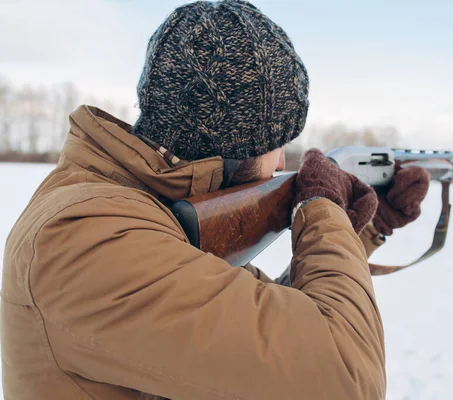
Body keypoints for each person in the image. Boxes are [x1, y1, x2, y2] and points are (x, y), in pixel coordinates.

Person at [1, 1, 429, 399]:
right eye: (276, 144)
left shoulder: (138, 216)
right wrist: (322, 209)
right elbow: (344, 377)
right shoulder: (86, 237)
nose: (282, 162)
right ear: (230, 147)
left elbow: (259, 333)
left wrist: (365, 230)